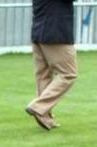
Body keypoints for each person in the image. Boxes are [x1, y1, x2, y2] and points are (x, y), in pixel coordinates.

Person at [25, 0, 78, 131]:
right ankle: (38, 106)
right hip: (56, 33)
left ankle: (44, 116)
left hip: (38, 32)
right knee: (68, 74)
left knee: (43, 75)